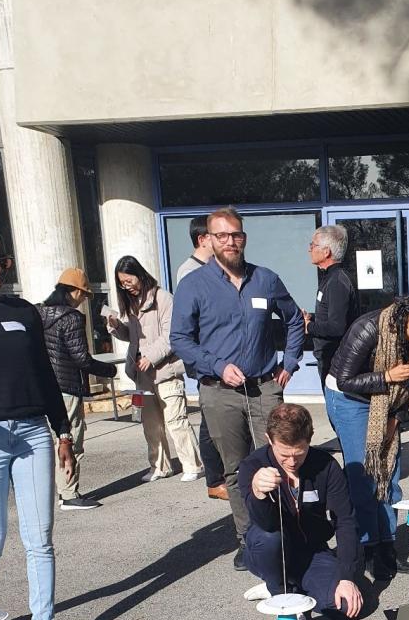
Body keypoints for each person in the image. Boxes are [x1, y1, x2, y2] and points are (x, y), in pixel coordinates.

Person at [171, 207, 305, 569]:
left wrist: (290, 363)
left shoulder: (266, 279)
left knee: (280, 462)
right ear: (208, 240)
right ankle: (248, 539)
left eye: (236, 234)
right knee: (236, 469)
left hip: (265, 388)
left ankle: (283, 533)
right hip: (219, 393)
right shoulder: (193, 285)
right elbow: (180, 339)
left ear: (244, 237)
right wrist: (216, 365)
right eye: (222, 235)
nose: (230, 241)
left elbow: (295, 319)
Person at [0, 227, 84, 620]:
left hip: (33, 432)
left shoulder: (25, 312)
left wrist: (62, 432)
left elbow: (45, 375)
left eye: (1, 261)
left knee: (40, 539)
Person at [324, 291, 409, 579]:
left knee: (390, 473)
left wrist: (395, 418)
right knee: (365, 476)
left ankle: (387, 546)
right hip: (349, 399)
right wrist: (386, 377)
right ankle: (366, 547)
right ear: (407, 316)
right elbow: (345, 380)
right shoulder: (367, 328)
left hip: (386, 403)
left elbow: (406, 388)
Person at [238, 403, 362, 620]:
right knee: (269, 538)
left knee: (344, 608)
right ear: (269, 439)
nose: (292, 462)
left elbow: (345, 521)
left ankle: (289, 585)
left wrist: (346, 577)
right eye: (284, 455)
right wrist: (258, 493)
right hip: (268, 551)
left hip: (312, 552)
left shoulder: (326, 466)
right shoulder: (253, 465)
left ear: (310, 439)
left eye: (299, 453)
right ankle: (280, 590)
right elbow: (266, 525)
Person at [107, 256, 203, 485]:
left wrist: (151, 357)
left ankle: (193, 465)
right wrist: (116, 327)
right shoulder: (131, 303)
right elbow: (132, 337)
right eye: (122, 283)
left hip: (167, 371)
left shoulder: (164, 298)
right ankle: (159, 466)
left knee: (176, 420)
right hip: (142, 375)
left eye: (129, 280)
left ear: (139, 274)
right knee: (150, 424)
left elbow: (172, 335)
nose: (126, 286)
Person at [38, 267, 117, 510]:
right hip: (67, 386)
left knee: (53, 441)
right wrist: (109, 370)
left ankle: (61, 491)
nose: (83, 300)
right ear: (73, 291)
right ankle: (69, 494)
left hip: (44, 386)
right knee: (71, 439)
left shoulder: (39, 312)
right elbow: (81, 358)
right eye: (83, 294)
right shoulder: (71, 317)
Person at [176, 216, 227, 501]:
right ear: (202, 239)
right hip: (205, 361)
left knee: (219, 419)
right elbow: (188, 325)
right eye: (216, 235)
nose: (224, 240)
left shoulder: (215, 268)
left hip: (221, 358)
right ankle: (215, 480)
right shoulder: (189, 272)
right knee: (209, 421)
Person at [304, 225, 359, 392]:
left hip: (336, 361)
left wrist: (309, 327)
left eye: (313, 245)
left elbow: (337, 327)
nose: (309, 249)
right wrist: (312, 319)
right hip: (328, 358)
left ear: (326, 251)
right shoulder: (330, 277)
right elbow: (331, 316)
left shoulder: (337, 281)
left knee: (336, 404)